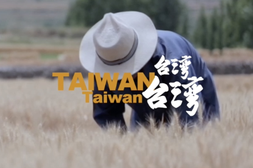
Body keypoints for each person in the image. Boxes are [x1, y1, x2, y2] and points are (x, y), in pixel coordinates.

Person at [79, 11, 220, 131]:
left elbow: (189, 111)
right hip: (144, 105)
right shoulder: (104, 68)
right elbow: (106, 114)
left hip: (195, 87)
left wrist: (189, 142)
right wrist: (124, 146)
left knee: (204, 130)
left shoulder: (173, 60)